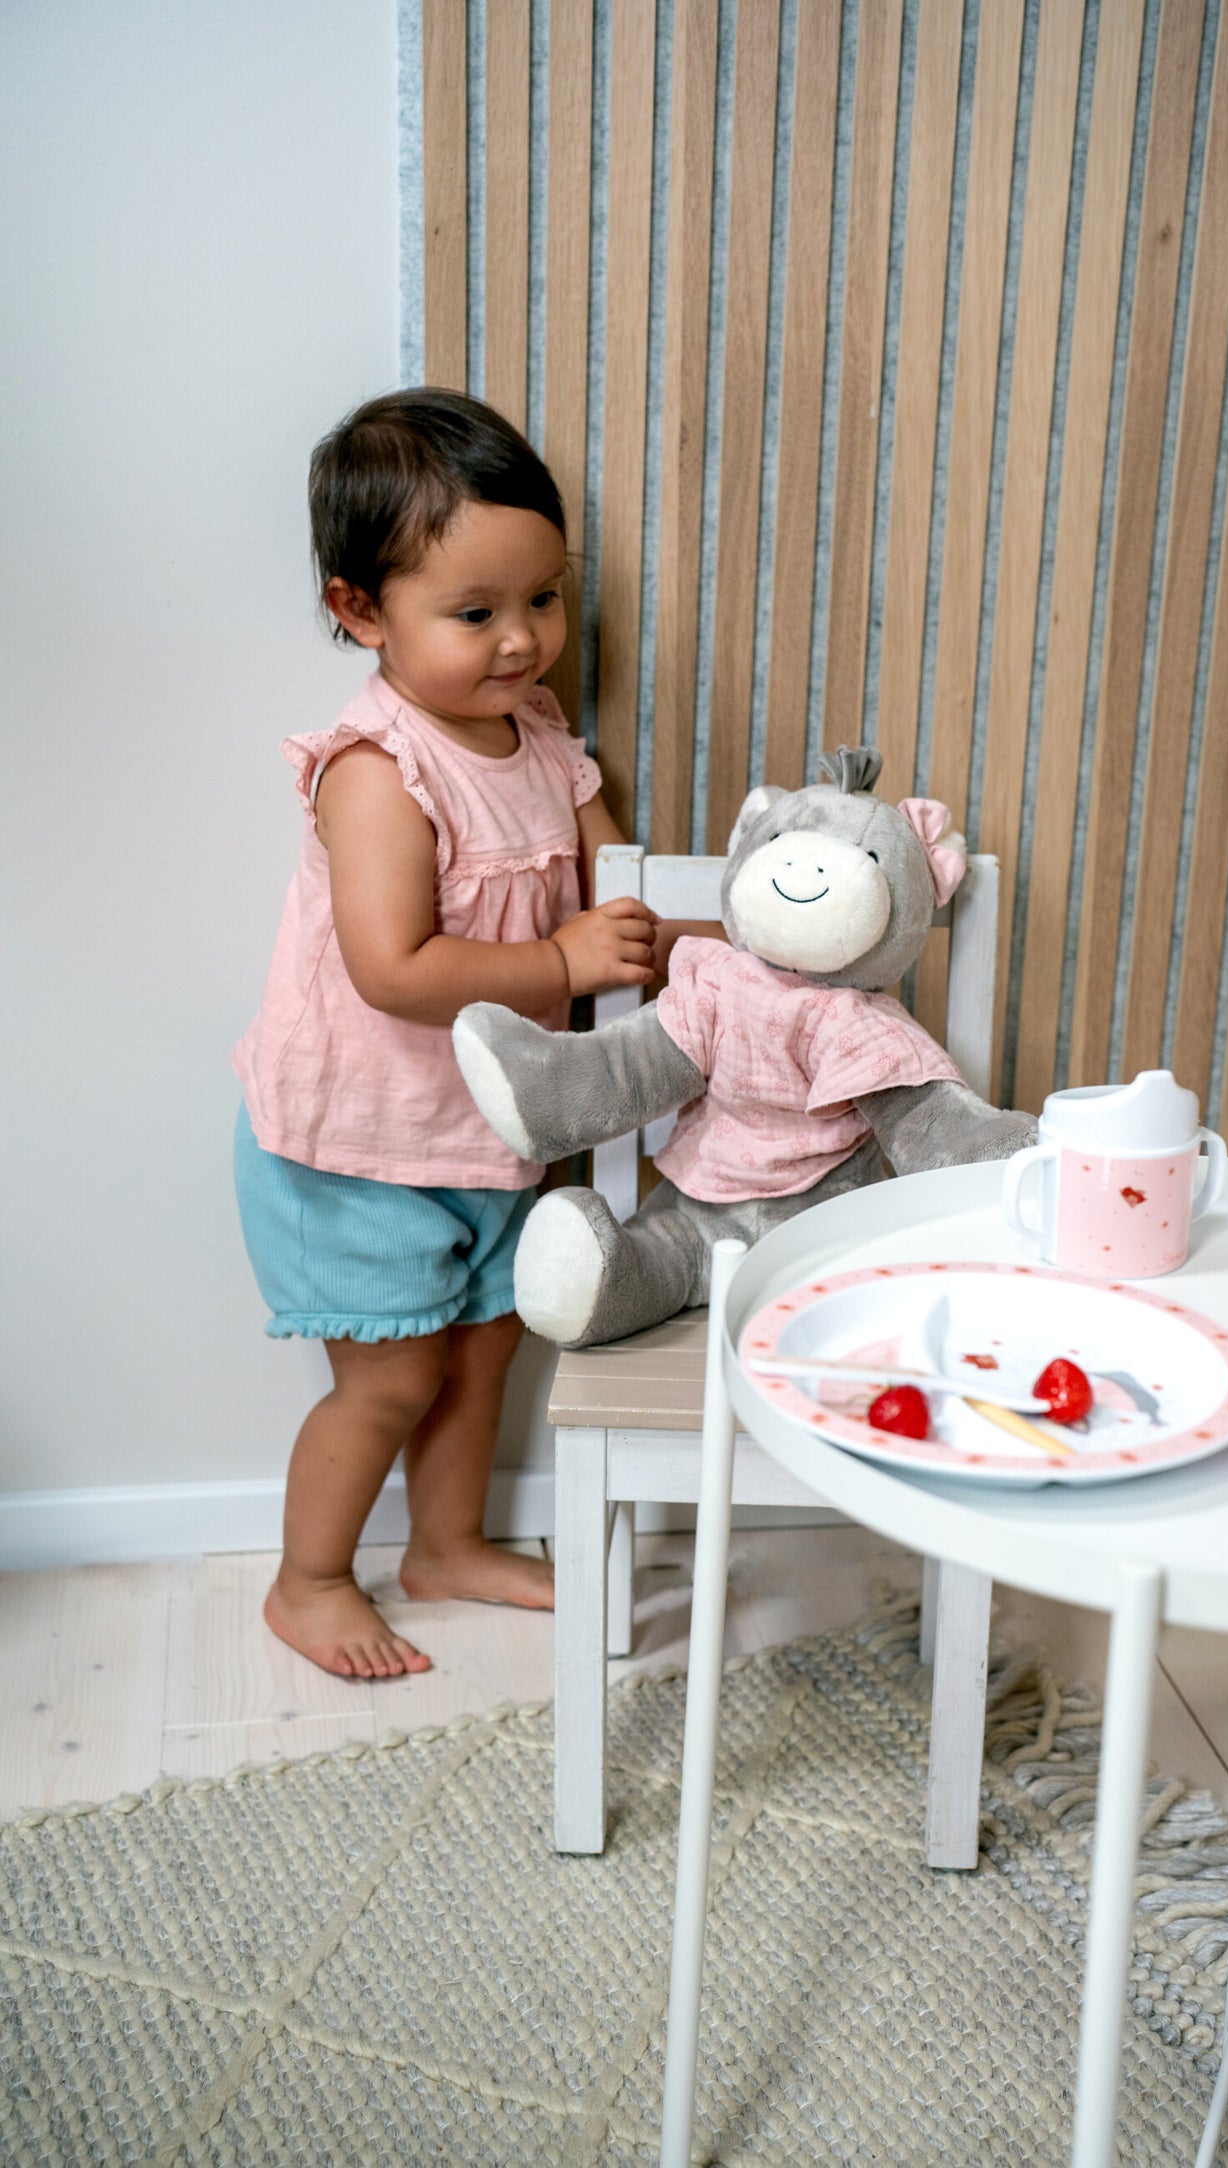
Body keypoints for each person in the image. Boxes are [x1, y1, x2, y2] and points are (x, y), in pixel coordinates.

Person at [233, 388, 658, 1680]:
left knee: (484, 1353)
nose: (522, 641)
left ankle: (450, 1545)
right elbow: (392, 967)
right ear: (359, 611)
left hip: (488, 1129)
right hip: (360, 1140)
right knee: (388, 1382)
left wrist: (718, 932)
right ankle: (309, 1581)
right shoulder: (378, 769)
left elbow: (615, 897)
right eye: (474, 614)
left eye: (543, 599)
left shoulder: (540, 739)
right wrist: (560, 962)